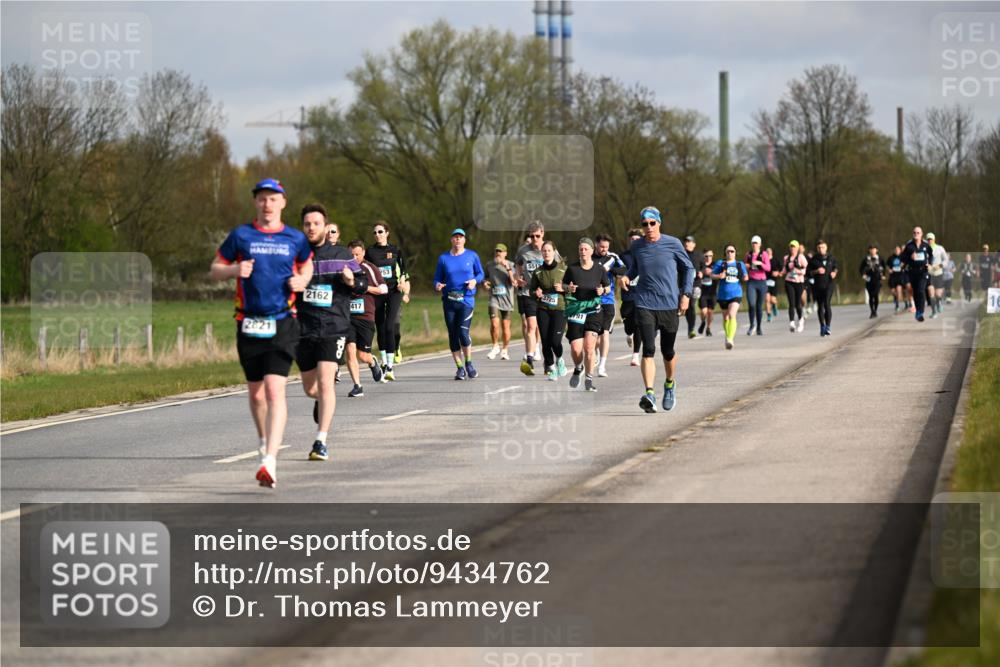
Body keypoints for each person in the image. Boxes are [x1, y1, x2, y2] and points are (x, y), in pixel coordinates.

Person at [210, 178, 313, 489]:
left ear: (283, 202)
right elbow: (215, 269)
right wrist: (233, 270)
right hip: (248, 322)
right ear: (256, 202)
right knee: (256, 394)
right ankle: (263, 440)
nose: (267, 204)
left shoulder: (295, 238)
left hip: (282, 321)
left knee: (274, 390)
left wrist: (302, 281)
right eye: (262, 199)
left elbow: (307, 265)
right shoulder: (241, 235)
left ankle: (270, 460)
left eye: (273, 199)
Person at [295, 204, 367, 462]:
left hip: (333, 326)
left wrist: (351, 280)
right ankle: (321, 399)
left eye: (316, 223)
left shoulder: (341, 255)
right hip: (303, 328)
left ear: (325, 227)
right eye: (307, 224)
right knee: (310, 388)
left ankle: (321, 441)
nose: (311, 228)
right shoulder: (295, 255)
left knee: (326, 382)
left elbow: (362, 284)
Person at [620, 206, 694, 413]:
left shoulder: (673, 244)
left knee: (668, 352)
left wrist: (686, 294)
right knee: (649, 349)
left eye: (652, 223)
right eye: (645, 224)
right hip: (644, 302)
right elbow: (635, 268)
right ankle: (650, 393)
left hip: (669, 303)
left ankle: (669, 384)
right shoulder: (637, 246)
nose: (649, 227)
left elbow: (689, 268)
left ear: (659, 223)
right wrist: (626, 276)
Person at [433, 228, 484, 380]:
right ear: (451, 240)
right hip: (449, 301)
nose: (458, 239)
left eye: (460, 237)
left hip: (466, 300)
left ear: (464, 240)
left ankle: (469, 363)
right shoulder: (443, 258)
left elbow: (480, 274)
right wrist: (437, 285)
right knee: (453, 335)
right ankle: (460, 368)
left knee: (463, 333)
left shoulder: (472, 255)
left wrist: (474, 281)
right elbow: (437, 279)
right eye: (455, 237)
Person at [564, 238, 611, 391]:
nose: (583, 252)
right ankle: (579, 367)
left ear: (592, 251)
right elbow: (564, 285)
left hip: (593, 310)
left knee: (589, 348)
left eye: (586, 249)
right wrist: (568, 288)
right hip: (576, 310)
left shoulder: (599, 269)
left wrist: (602, 290)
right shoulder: (572, 269)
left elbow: (608, 287)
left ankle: (589, 379)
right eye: (581, 249)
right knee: (576, 349)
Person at [514, 221, 560, 376]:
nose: (534, 239)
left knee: (545, 331)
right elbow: (518, 264)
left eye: (537, 236)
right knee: (530, 325)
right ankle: (529, 359)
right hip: (529, 293)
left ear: (543, 234)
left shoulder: (549, 249)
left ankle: (548, 362)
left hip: (547, 295)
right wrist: (518, 277)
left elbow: (560, 268)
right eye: (532, 236)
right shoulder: (523, 250)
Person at [365, 221, 407, 381]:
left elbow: (403, 271)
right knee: (381, 328)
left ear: (387, 233)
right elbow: (365, 269)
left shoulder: (395, 250)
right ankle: (383, 362)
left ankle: (390, 366)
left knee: (390, 326)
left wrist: (402, 282)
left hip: (393, 292)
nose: (377, 235)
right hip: (378, 293)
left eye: (380, 232)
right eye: (375, 232)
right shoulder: (370, 252)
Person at [344, 240, 387, 397]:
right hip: (347, 316)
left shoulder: (369, 268)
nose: (355, 257)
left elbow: (383, 288)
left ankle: (372, 362)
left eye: (357, 254)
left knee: (362, 355)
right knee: (350, 350)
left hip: (365, 316)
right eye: (352, 255)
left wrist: (364, 287)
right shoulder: (343, 268)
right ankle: (357, 386)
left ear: (363, 253)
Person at [528, 241, 568, 381]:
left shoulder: (563, 269)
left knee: (555, 341)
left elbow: (572, 287)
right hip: (543, 309)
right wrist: (536, 293)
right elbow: (531, 290)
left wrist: (563, 288)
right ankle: (551, 368)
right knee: (545, 341)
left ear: (554, 252)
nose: (546, 253)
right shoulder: (538, 271)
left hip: (559, 309)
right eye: (544, 251)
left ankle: (560, 359)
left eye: (549, 250)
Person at [594, 234, 627, 375]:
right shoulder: (589, 257)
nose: (604, 249)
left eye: (606, 247)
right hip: (592, 300)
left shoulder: (612, 257)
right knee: (594, 337)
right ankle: (595, 351)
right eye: (601, 246)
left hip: (608, 300)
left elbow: (624, 269)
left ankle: (602, 366)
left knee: (605, 333)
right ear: (596, 244)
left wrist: (611, 270)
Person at [710, 245, 748, 349]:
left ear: (735, 253)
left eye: (732, 251)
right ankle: (727, 336)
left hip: (736, 293)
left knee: (732, 314)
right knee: (725, 317)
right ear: (725, 253)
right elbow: (711, 275)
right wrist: (719, 276)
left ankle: (730, 339)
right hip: (723, 295)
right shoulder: (720, 263)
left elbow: (746, 276)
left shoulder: (739, 264)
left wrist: (745, 277)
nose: (730, 253)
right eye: (728, 251)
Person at [484, 243, 515, 360]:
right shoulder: (489, 265)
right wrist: (485, 283)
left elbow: (514, 282)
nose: (498, 253)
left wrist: (508, 268)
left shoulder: (511, 265)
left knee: (505, 327)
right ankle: (495, 346)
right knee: (494, 324)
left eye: (500, 251)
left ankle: (505, 350)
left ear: (505, 253)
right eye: (497, 251)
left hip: (507, 299)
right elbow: (485, 278)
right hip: (494, 298)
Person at [619, 228, 643, 366]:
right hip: (627, 294)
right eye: (632, 239)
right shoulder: (623, 256)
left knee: (638, 324)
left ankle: (635, 356)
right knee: (628, 322)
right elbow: (617, 268)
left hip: (641, 295)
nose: (634, 241)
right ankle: (629, 334)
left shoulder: (645, 254)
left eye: (636, 239)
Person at [900, 227, 933, 322]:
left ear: (921, 234)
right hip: (913, 272)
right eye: (914, 232)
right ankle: (918, 310)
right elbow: (902, 258)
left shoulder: (926, 245)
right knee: (915, 292)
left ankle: (920, 312)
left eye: (918, 232)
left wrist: (930, 264)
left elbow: (931, 255)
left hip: (923, 271)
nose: (916, 234)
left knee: (921, 290)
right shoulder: (909, 246)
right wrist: (910, 257)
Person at [807, 240, 838, 336]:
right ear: (817, 249)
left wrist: (834, 272)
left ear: (826, 247)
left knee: (827, 303)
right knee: (820, 306)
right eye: (819, 248)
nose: (821, 249)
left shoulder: (831, 258)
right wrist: (816, 271)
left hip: (829, 284)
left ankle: (828, 326)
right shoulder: (813, 260)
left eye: (823, 247)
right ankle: (822, 326)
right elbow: (808, 273)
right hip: (818, 285)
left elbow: (836, 267)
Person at [778, 240, 807, 332]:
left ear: (797, 248)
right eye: (791, 246)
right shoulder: (786, 258)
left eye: (794, 246)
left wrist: (798, 271)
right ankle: (792, 323)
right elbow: (785, 268)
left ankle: (801, 320)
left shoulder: (801, 257)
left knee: (798, 303)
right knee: (791, 303)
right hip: (789, 281)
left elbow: (805, 269)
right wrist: (781, 273)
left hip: (799, 282)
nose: (792, 248)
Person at [744, 235, 771, 335]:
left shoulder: (764, 254)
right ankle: (752, 325)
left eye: (756, 243)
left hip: (761, 282)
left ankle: (759, 326)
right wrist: (747, 266)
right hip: (751, 282)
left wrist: (760, 264)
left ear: (760, 244)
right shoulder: (749, 254)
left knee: (759, 306)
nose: (754, 245)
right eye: (753, 243)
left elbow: (768, 268)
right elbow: (745, 266)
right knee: (751, 304)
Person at [682, 236, 703, 339]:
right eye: (686, 241)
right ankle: (690, 328)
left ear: (694, 244)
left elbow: (704, 267)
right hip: (684, 284)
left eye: (689, 242)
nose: (687, 243)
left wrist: (702, 272)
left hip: (696, 284)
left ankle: (691, 329)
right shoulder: (681, 254)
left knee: (691, 305)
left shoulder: (699, 255)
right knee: (688, 307)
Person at [859, 244, 885, 319]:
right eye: (871, 249)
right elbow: (861, 268)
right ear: (869, 250)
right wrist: (863, 275)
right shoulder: (866, 259)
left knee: (875, 295)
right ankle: (872, 311)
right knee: (871, 296)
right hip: (869, 279)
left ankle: (875, 310)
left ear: (876, 250)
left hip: (877, 279)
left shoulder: (880, 258)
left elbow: (884, 267)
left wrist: (883, 275)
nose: (872, 251)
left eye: (874, 249)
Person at [696, 249, 718, 337]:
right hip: (703, 292)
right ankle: (703, 322)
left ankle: (708, 328)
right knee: (703, 311)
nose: (708, 258)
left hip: (712, 292)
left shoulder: (716, 265)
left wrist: (712, 273)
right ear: (703, 256)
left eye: (710, 256)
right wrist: (700, 274)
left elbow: (721, 274)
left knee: (710, 312)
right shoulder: (700, 265)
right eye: (706, 256)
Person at [926, 232, 948, 318]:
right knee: (931, 293)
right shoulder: (924, 249)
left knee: (938, 294)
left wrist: (940, 266)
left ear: (934, 239)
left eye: (931, 239)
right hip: (929, 274)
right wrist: (926, 266)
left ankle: (939, 302)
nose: (929, 241)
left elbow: (946, 260)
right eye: (928, 239)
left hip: (938, 273)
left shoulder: (940, 248)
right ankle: (934, 312)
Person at [887, 245, 906, 313]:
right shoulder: (891, 258)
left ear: (900, 250)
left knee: (898, 291)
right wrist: (889, 269)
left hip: (900, 276)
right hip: (892, 277)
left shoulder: (903, 257)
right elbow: (887, 266)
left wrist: (903, 266)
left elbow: (906, 264)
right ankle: (895, 298)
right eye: (896, 250)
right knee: (893, 291)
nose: (897, 251)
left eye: (898, 250)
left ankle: (897, 305)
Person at [765, 247, 780, 321]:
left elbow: (781, 270)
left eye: (769, 251)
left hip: (774, 282)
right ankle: (769, 315)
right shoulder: (764, 261)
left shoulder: (776, 260)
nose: (768, 252)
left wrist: (777, 273)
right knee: (767, 299)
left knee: (772, 300)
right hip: (765, 282)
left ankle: (774, 305)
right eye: (767, 251)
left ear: (772, 252)